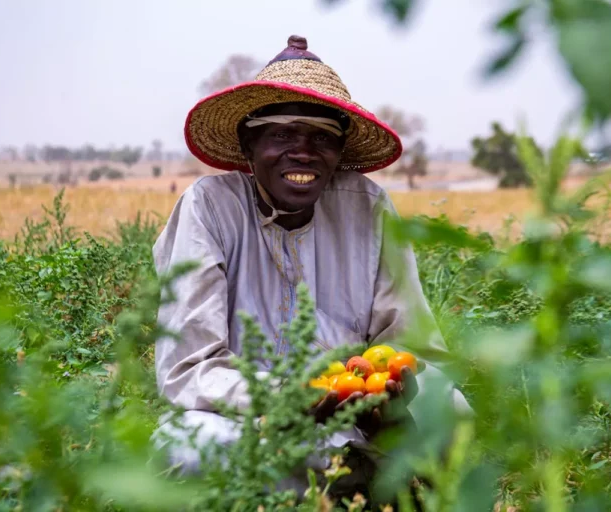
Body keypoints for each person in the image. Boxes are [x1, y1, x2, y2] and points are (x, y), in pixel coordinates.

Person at [152, 35, 469, 494]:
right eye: (282, 134)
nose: (303, 152)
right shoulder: (210, 207)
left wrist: (386, 395)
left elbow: (408, 342)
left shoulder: (369, 207)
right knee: (186, 449)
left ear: (339, 152)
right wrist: (284, 397)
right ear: (248, 144)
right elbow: (189, 366)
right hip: (245, 416)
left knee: (452, 411)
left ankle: (353, 478)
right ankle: (352, 485)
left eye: (322, 137)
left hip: (353, 412)